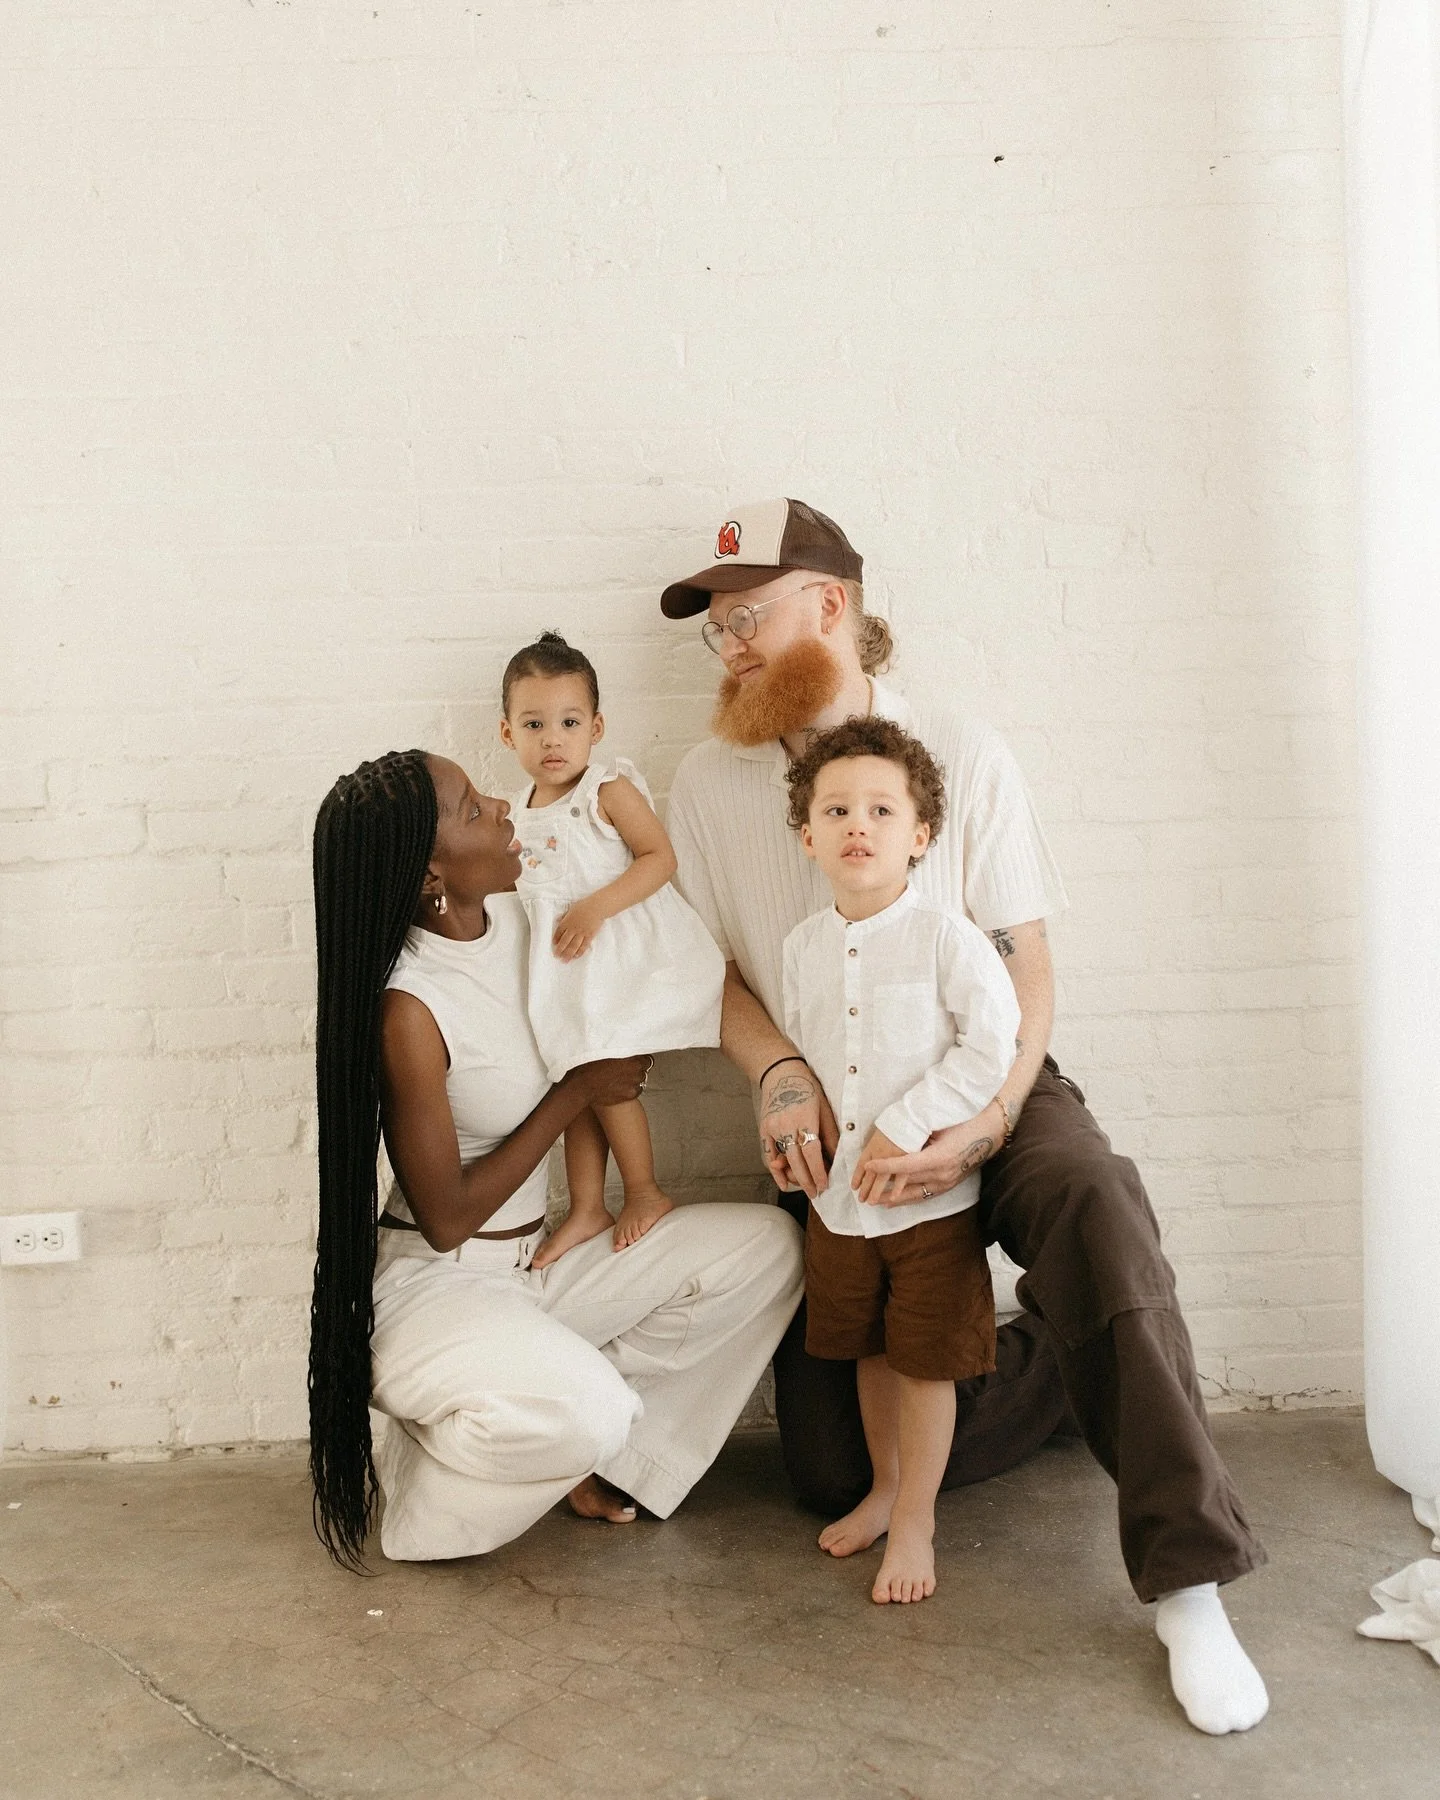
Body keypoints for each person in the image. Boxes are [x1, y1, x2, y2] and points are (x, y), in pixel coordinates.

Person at [662, 497, 1270, 1735]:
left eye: (747, 616)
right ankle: (1065, 1357)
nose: (729, 645)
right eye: (714, 626)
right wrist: (776, 1073)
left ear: (829, 605)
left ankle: (1190, 1580)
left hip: (987, 1074)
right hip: (837, 1116)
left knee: (1095, 1199)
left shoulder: (960, 746)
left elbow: (1023, 958)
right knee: (830, 1469)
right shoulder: (706, 782)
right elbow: (702, 969)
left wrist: (988, 1119)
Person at [308, 748, 802, 1568]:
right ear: (431, 874)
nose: (504, 806)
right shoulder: (410, 1008)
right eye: (474, 809)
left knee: (768, 1249)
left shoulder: (528, 920)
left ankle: (600, 1458)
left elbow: (652, 963)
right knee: (588, 1412)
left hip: (534, 1267)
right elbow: (446, 1218)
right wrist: (577, 1093)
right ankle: (428, 1494)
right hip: (437, 1288)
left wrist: (779, 1068)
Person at [781, 716, 1020, 1604]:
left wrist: (909, 1122)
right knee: (868, 1353)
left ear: (920, 835)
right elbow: (808, 1062)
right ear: (807, 835)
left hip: (926, 1208)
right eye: (837, 809)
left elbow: (991, 1045)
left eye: (882, 810)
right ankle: (885, 1491)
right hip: (841, 1206)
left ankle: (917, 1518)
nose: (859, 824)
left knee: (923, 1362)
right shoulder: (801, 948)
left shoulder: (947, 938)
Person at [499, 630, 724, 1266]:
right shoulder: (512, 812)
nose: (553, 739)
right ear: (507, 734)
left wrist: (595, 906)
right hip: (563, 979)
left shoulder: (605, 790)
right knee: (573, 1087)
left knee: (611, 1086)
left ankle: (645, 1191)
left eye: (569, 722)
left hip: (617, 970)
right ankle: (588, 1206)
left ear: (596, 728)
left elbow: (659, 858)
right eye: (534, 724)